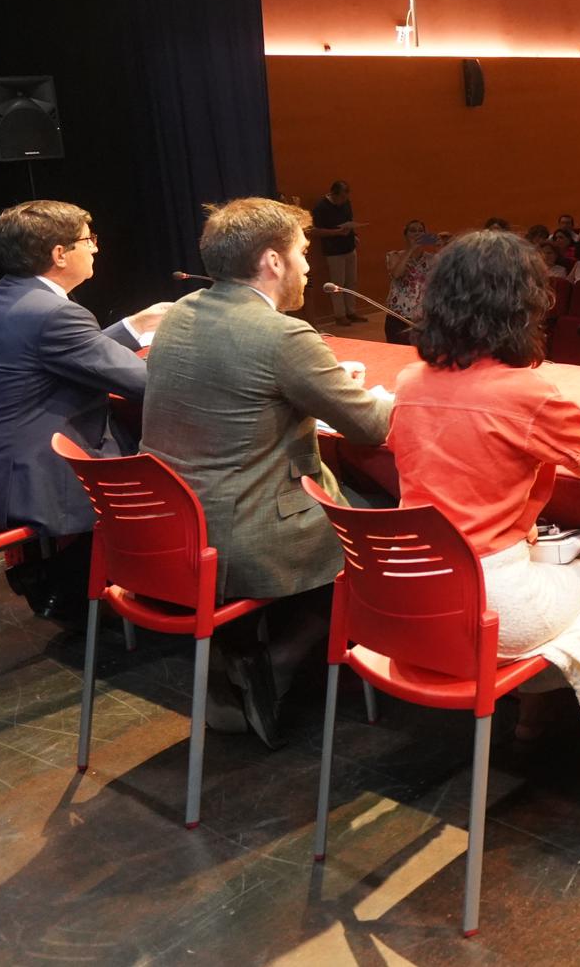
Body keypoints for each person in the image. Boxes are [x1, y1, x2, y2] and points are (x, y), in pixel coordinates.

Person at [386, 230, 580, 783]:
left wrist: (561, 417)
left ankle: (530, 726)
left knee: (557, 571)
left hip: (409, 598)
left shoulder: (409, 381)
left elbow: (470, 431)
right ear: (522, 306)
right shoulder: (527, 392)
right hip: (490, 606)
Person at [142, 197, 393, 743]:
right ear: (273, 261)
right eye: (302, 253)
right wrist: (385, 394)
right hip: (243, 534)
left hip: (172, 524)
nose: (309, 266)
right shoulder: (283, 335)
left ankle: (240, 652)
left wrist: (319, 383)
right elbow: (371, 426)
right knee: (377, 534)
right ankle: (276, 662)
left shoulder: (181, 312)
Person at [0, 200, 170, 621]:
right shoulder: (54, 313)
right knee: (165, 469)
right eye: (89, 239)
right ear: (59, 254)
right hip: (29, 480)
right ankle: (124, 587)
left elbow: (72, 352)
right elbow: (147, 384)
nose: (96, 248)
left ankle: (63, 582)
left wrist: (134, 326)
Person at [310, 180, 361, 324]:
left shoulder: (346, 203)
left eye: (346, 197)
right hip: (334, 251)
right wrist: (336, 232)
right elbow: (315, 231)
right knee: (337, 284)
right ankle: (340, 315)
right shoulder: (321, 207)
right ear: (333, 194)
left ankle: (351, 312)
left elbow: (349, 220)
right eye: (342, 197)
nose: (344, 200)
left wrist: (354, 235)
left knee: (351, 281)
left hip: (349, 247)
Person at [383, 220, 439, 343]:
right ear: (406, 235)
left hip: (422, 317)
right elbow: (396, 274)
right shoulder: (395, 255)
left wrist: (441, 245)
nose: (417, 233)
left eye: (420, 231)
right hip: (398, 317)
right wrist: (411, 249)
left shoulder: (432, 259)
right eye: (413, 230)